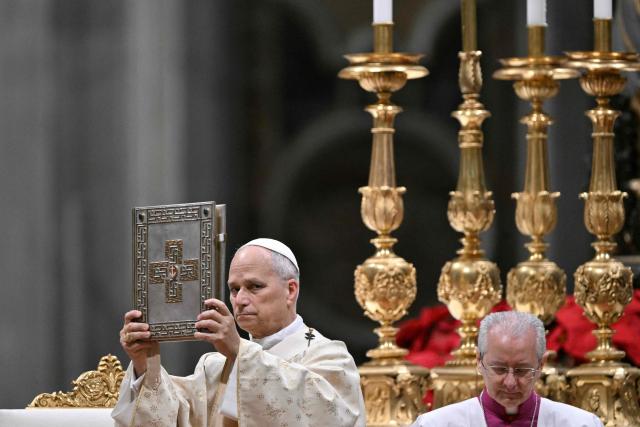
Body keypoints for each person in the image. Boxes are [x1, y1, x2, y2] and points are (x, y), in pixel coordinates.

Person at [112, 238, 366, 427]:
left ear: (290, 290)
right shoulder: (212, 367)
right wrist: (146, 364)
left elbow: (325, 417)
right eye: (234, 289)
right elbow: (172, 418)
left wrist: (238, 352)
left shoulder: (330, 358)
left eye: (254, 286)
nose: (240, 300)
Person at [411, 311, 603, 427]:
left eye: (521, 370)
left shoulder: (580, 423)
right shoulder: (436, 424)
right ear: (479, 360)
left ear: (541, 364)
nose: (510, 383)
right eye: (500, 369)